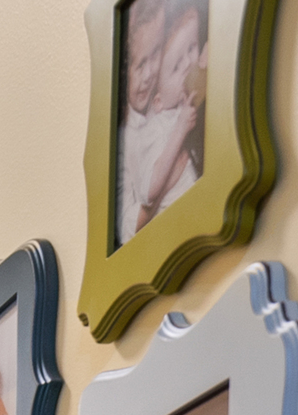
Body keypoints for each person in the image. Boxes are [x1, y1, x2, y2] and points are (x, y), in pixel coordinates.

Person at [117, 0, 208, 241]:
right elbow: (144, 198)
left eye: (155, 53)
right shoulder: (144, 133)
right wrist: (180, 132)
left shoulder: (173, 102)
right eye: (139, 64)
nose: (149, 75)